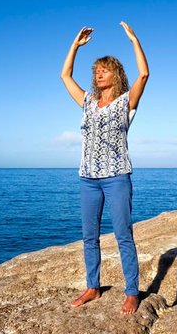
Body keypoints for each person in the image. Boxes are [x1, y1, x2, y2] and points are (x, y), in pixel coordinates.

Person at [60, 21, 149, 315]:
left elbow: (144, 74)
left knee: (123, 234)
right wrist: (74, 46)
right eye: (96, 70)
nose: (98, 74)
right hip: (88, 178)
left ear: (116, 74)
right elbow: (65, 75)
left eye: (104, 70)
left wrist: (134, 40)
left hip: (116, 178)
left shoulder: (126, 103)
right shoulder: (87, 101)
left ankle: (132, 292)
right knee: (89, 236)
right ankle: (92, 287)